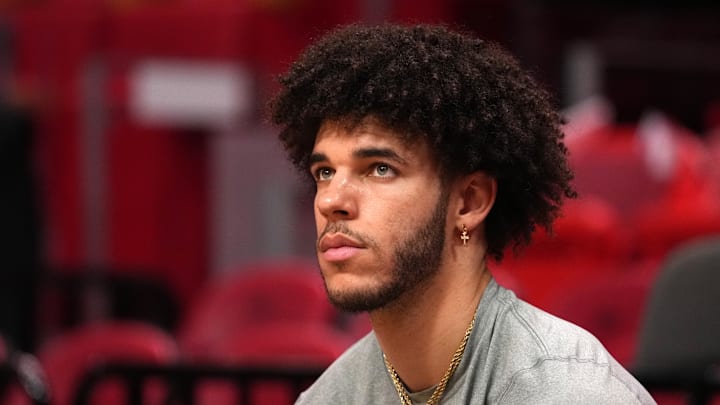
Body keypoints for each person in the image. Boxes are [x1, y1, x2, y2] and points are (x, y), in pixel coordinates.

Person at [270, 23, 655, 404]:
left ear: (469, 203)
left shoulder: (566, 390)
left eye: (379, 168)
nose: (330, 200)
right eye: (325, 172)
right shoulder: (327, 398)